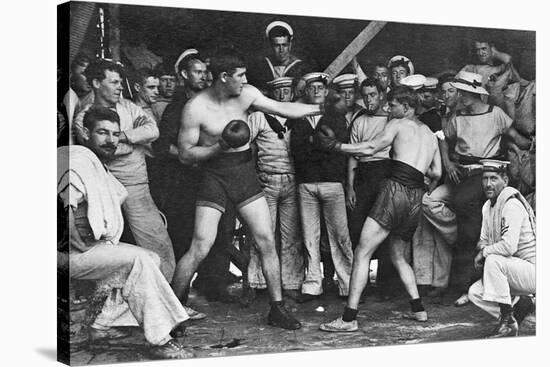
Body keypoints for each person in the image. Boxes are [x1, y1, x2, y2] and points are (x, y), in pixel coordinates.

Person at [171, 50, 323, 330]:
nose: (245, 80)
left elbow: (283, 109)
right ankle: (172, 312)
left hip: (243, 173)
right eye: (239, 75)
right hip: (214, 175)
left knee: (266, 239)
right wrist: (219, 146)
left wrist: (320, 108)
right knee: (201, 244)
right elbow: (184, 154)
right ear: (224, 77)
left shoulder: (247, 94)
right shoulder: (196, 107)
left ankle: (277, 309)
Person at [58, 106, 192, 359]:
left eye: (115, 134)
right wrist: (75, 244)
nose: (110, 140)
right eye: (102, 133)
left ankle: (101, 326)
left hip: (82, 250)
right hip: (65, 254)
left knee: (151, 258)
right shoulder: (79, 161)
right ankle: (159, 338)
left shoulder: (94, 162)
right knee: (138, 260)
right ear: (85, 132)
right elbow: (61, 209)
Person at [317, 86, 442, 331]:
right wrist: (414, 167)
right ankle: (419, 311)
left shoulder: (397, 124)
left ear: (406, 107)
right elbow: (436, 172)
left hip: (395, 189)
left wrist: (336, 146)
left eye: (392, 104)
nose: (388, 108)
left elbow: (371, 148)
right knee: (398, 255)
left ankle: (348, 319)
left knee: (362, 251)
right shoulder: (429, 134)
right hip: (415, 194)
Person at [73, 59, 176, 281]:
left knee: (158, 242)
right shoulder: (84, 115)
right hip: (105, 189)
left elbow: (152, 130)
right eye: (114, 82)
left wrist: (123, 136)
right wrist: (133, 142)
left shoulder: (128, 106)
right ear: (96, 83)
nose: (120, 87)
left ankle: (172, 300)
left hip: (136, 184)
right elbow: (104, 149)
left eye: (121, 82)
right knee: (104, 245)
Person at [443, 71, 513, 306]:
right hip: (463, 173)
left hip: (486, 175)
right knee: (468, 232)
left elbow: (515, 137)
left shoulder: (496, 114)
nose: (460, 96)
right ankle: (468, 287)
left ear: (474, 94)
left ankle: (479, 287)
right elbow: (442, 137)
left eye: (463, 92)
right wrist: (448, 162)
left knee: (476, 232)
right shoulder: (458, 116)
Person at [289, 72, 354, 303]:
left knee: (340, 236)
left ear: (326, 92)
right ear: (306, 92)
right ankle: (312, 285)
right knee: (310, 236)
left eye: (320, 87)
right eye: (312, 87)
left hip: (332, 182)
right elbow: (297, 151)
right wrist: (320, 146)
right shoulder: (297, 118)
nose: (316, 91)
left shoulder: (336, 117)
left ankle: (348, 285)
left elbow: (339, 149)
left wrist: (314, 146)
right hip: (306, 183)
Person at [244, 76, 305, 305]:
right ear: (271, 94)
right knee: (262, 235)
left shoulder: (297, 115)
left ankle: (290, 283)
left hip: (292, 180)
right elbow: (246, 147)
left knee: (292, 236)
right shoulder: (259, 117)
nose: (282, 95)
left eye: (286, 91)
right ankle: (256, 282)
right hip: (266, 180)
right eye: (278, 91)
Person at [468, 159, 535, 338]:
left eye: (494, 178)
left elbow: (508, 247)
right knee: (475, 293)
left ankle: (507, 322)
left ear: (505, 180)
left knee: (493, 259)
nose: (488, 184)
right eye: (485, 179)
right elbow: (482, 241)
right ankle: (518, 309)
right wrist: (483, 249)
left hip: (534, 271)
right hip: (513, 270)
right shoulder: (487, 207)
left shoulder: (511, 204)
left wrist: (484, 252)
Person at [412, 73, 459, 298]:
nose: (424, 98)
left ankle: (440, 280)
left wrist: (435, 176)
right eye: (421, 94)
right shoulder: (425, 116)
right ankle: (422, 278)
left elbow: (442, 144)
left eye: (428, 94)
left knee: (436, 229)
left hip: (441, 175)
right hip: (426, 174)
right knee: (422, 229)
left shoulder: (437, 117)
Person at [247, 20, 314, 94]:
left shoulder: (302, 67)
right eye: (277, 46)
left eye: (284, 45)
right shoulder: (261, 67)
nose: (281, 50)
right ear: (270, 45)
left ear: (290, 45)